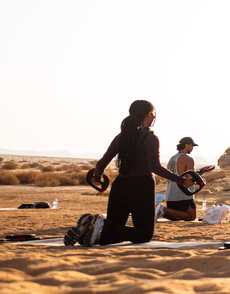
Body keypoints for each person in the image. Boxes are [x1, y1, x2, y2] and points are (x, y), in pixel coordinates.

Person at [65, 100, 194, 246]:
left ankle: (85, 231)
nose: (153, 118)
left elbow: (101, 164)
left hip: (120, 186)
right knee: (144, 234)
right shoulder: (150, 138)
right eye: (153, 114)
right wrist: (182, 181)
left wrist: (97, 178)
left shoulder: (121, 137)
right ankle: (97, 226)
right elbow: (155, 167)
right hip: (141, 185)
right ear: (149, 114)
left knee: (112, 230)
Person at [157, 137, 201, 222]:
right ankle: (163, 209)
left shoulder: (172, 159)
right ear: (186, 145)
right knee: (191, 216)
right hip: (183, 194)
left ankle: (161, 210)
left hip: (170, 195)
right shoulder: (188, 159)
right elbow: (190, 177)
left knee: (175, 216)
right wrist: (199, 175)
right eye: (191, 146)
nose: (192, 148)